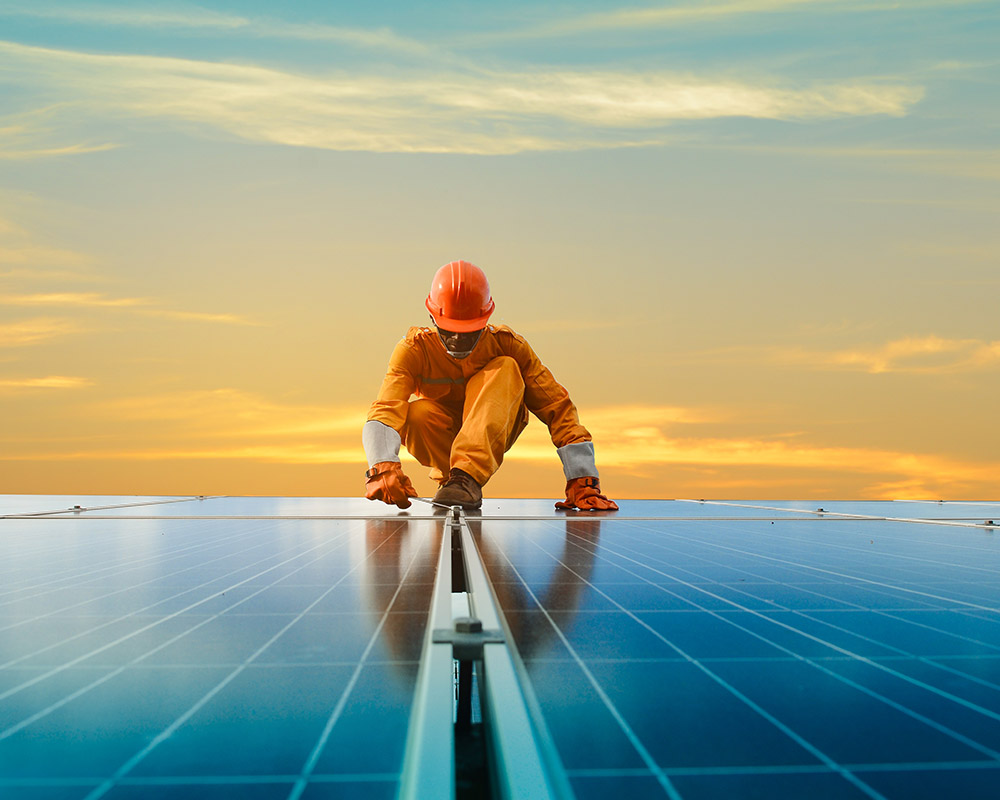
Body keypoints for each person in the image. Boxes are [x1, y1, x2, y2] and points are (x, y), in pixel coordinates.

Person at [362, 260, 618, 512]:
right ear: (431, 317)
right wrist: (382, 465)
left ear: (485, 319)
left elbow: (557, 407)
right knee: (415, 413)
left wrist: (582, 479)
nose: (457, 340)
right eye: (449, 331)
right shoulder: (413, 351)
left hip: (496, 425)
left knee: (506, 367)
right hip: (443, 440)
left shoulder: (509, 346)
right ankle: (454, 480)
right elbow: (385, 410)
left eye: (468, 332)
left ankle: (466, 478)